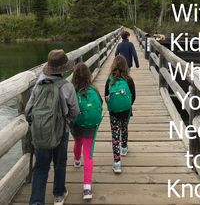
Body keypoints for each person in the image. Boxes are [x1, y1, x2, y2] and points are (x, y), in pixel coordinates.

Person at [25, 49, 79, 205]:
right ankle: (58, 195)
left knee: (41, 168)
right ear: (63, 69)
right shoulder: (67, 87)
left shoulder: (38, 85)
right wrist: (67, 122)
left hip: (41, 133)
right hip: (61, 132)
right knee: (60, 164)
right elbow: (75, 112)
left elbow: (28, 111)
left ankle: (36, 201)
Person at [71, 62, 103, 200]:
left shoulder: (72, 90)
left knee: (78, 142)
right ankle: (87, 188)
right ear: (89, 76)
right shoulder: (94, 90)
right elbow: (101, 103)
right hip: (91, 125)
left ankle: (77, 161)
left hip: (77, 124)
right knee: (88, 154)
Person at [105, 55, 136, 173]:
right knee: (124, 127)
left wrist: (111, 107)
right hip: (126, 110)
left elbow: (106, 95)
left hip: (113, 112)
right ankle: (124, 147)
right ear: (125, 66)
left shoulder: (110, 80)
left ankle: (117, 162)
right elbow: (134, 96)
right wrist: (127, 105)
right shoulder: (129, 80)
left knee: (115, 135)